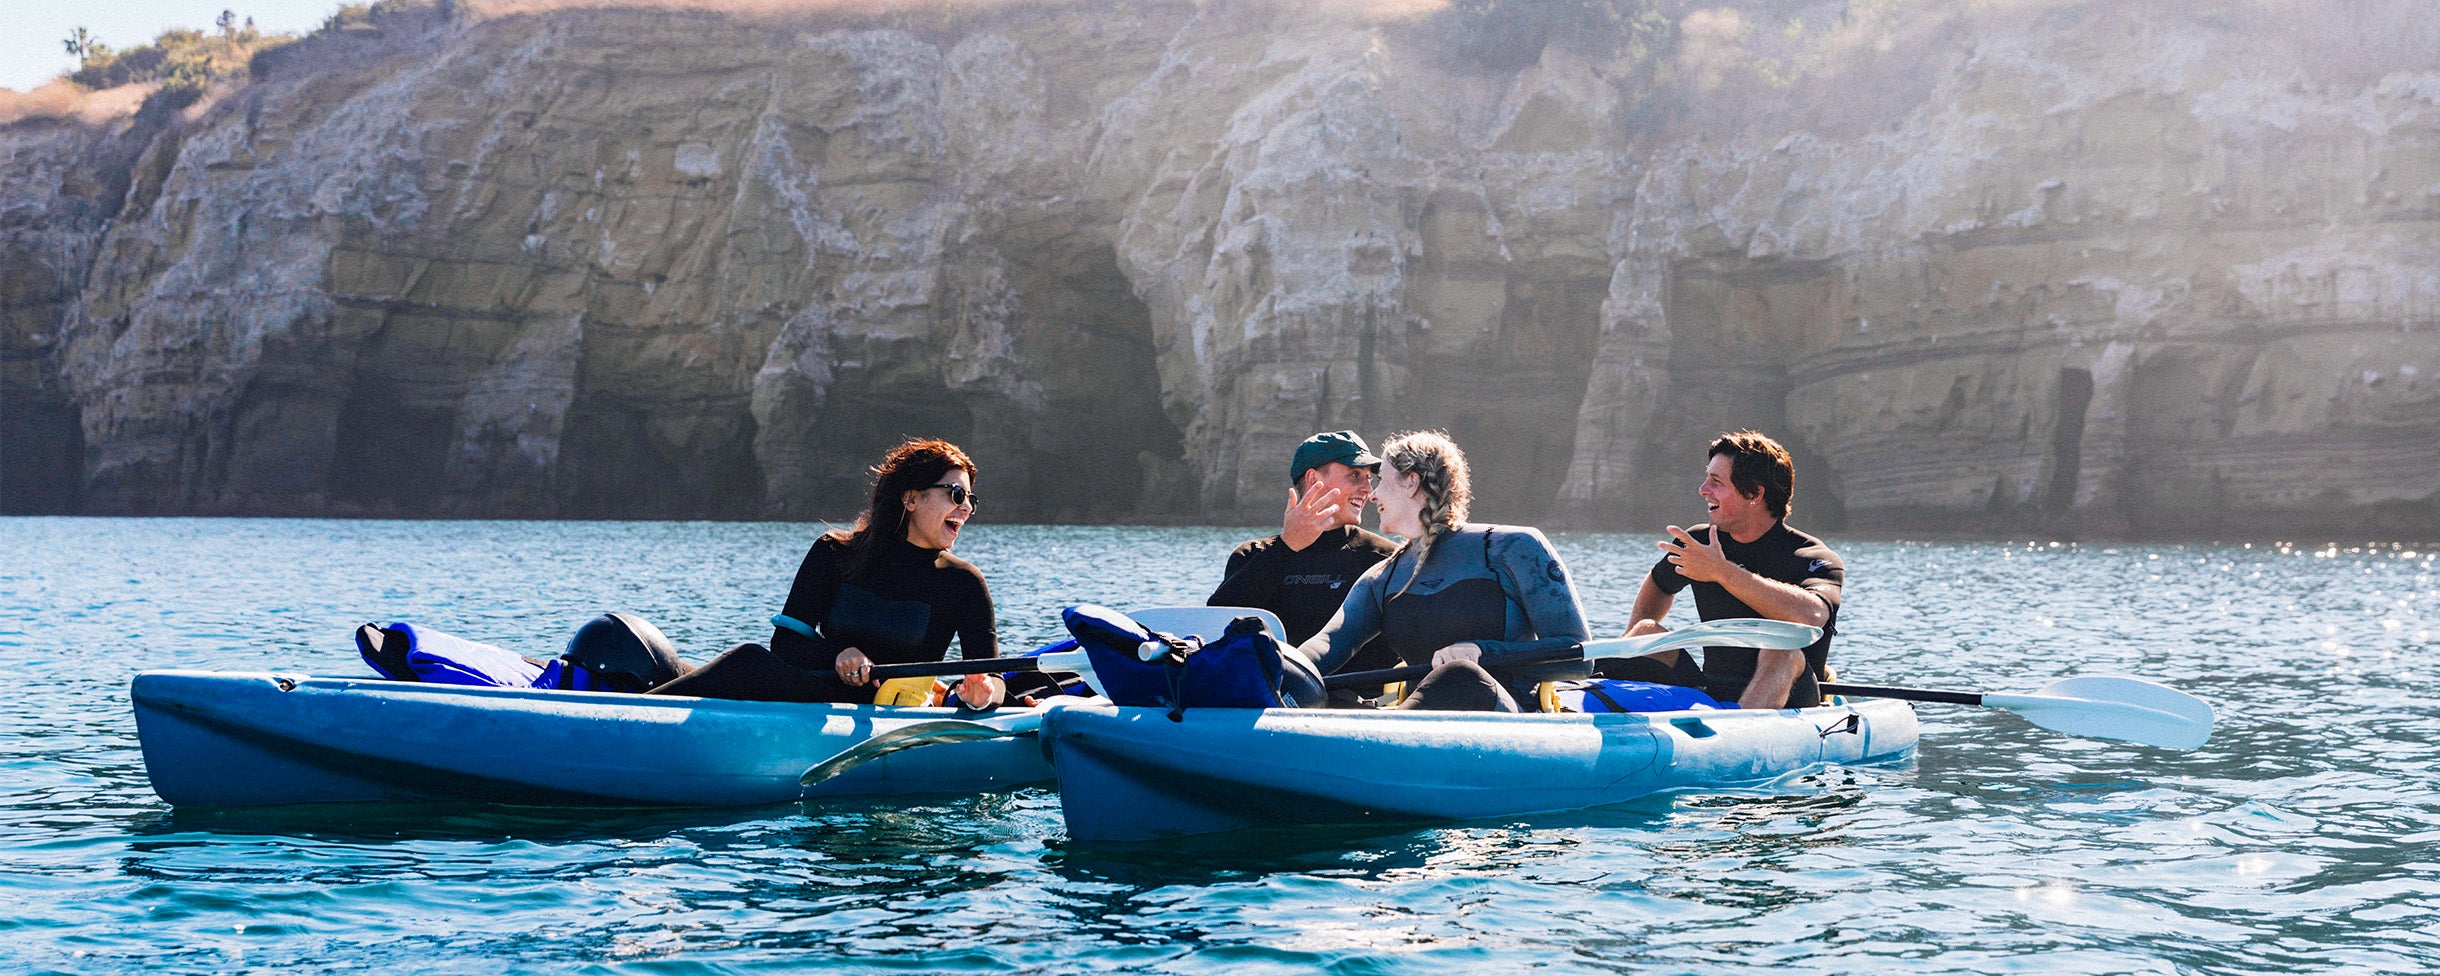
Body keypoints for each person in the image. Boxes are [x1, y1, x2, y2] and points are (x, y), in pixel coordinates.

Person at [650, 438, 1007, 708]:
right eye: (956, 494)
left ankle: (639, 713)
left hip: (888, 715)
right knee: (717, 662)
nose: (965, 508)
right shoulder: (834, 552)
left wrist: (985, 694)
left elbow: (993, 676)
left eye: (970, 500)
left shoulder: (964, 583)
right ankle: (633, 710)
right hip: (813, 697)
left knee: (746, 663)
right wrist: (837, 654)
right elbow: (786, 644)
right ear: (910, 498)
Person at [1284, 431, 1590, 712]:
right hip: (1419, 725)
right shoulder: (1382, 577)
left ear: (1411, 482)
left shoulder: (1513, 547)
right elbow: (1325, 645)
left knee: (1461, 676)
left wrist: (1482, 651)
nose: (1373, 495)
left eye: (1382, 481)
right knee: (1328, 692)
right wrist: (1278, 661)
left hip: (1507, 720)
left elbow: (1578, 656)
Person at [1597, 430, 1843, 709]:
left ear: (1754, 493)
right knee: (1646, 631)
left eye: (1716, 482)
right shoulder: (1700, 542)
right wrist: (1636, 646)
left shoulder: (1812, 556)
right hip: (1711, 690)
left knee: (1780, 647)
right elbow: (1659, 585)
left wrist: (1722, 571)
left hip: (1792, 698)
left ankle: (1740, 731)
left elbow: (1812, 615)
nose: (1703, 489)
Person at [1207, 430, 1401, 699]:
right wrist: (1286, 548)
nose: (1368, 489)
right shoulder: (1253, 555)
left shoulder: (1385, 557)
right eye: (1354, 475)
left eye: (1369, 478)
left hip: (1361, 710)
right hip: (1273, 704)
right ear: (1313, 479)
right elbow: (1215, 625)